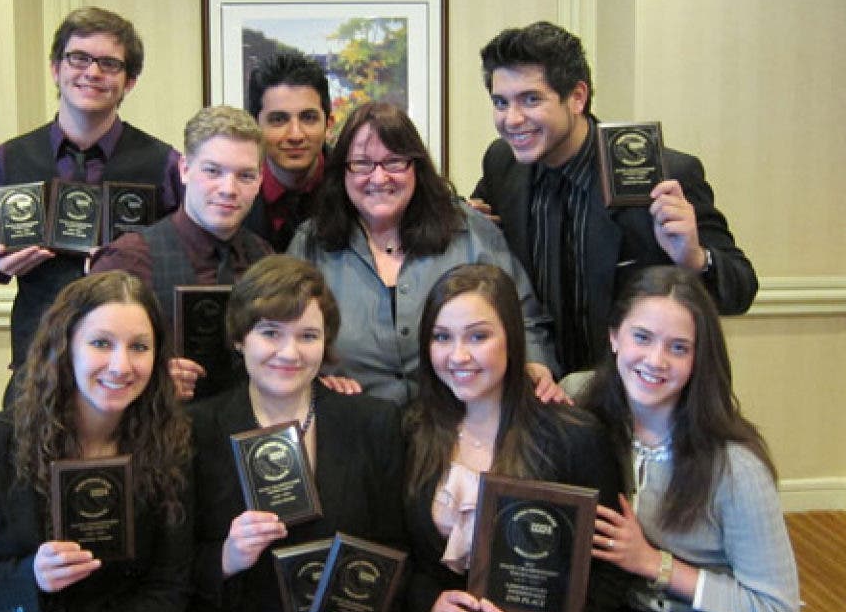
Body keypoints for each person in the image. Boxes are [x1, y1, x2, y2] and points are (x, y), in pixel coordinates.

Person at [0, 271, 194, 612]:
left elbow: (169, 588)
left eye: (139, 347)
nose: (121, 365)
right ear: (64, 346)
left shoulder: (173, 444)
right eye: (101, 343)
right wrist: (30, 576)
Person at [471, 21, 757, 377]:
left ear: (577, 97)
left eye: (531, 99)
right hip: (539, 390)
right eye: (501, 103)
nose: (512, 119)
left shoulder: (665, 173)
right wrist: (470, 217)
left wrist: (695, 258)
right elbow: (485, 236)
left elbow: (741, 292)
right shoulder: (502, 163)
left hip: (636, 390)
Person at [579, 265, 807, 612]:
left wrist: (653, 563)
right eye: (642, 337)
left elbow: (776, 611)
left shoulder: (735, 467)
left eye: (678, 348)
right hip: (633, 611)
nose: (655, 360)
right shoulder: (581, 401)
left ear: (698, 358)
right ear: (614, 336)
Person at [399, 264, 624, 612]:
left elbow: (608, 579)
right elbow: (402, 550)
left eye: (478, 336)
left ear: (512, 339)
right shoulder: (413, 430)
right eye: (442, 337)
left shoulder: (573, 437)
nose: (458, 356)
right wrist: (428, 604)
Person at [189, 255, 405, 612]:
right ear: (240, 338)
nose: (289, 353)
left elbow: (395, 548)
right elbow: (172, 569)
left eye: (308, 336)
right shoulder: (195, 429)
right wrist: (227, 557)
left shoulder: (372, 422)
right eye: (270, 333)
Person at [0, 7, 183, 405]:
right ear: (55, 68)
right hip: (37, 362)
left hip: (126, 371)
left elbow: (182, 255)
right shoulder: (11, 158)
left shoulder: (163, 163)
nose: (92, 72)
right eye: (79, 58)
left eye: (109, 64)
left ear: (129, 81)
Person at [287, 101, 560, 406]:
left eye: (394, 162)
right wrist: (314, 381)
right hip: (354, 421)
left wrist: (535, 365)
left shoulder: (468, 230)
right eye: (362, 164)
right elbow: (285, 334)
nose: (379, 178)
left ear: (416, 167)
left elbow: (524, 317)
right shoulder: (311, 243)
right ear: (343, 173)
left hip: (461, 417)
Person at [92, 105, 272, 400]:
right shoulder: (127, 260)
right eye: (213, 171)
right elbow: (83, 363)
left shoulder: (265, 260)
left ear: (260, 179)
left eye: (245, 176)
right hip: (159, 423)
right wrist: (149, 379)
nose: (229, 189)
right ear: (184, 169)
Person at [244, 53, 334, 251]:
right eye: (278, 120)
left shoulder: (354, 187)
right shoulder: (231, 189)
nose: (295, 135)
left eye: (308, 118)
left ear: (328, 124)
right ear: (254, 126)